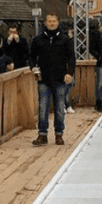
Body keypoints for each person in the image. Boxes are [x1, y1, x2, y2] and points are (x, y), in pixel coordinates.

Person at [30, 12, 73, 145]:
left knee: (60, 108)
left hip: (60, 79)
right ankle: (42, 134)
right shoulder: (38, 40)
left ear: (58, 22)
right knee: (43, 107)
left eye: (54, 21)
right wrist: (32, 67)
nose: (52, 23)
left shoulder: (65, 40)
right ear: (45, 23)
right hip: (44, 79)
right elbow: (31, 56)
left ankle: (59, 134)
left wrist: (69, 73)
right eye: (49, 21)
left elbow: (71, 58)